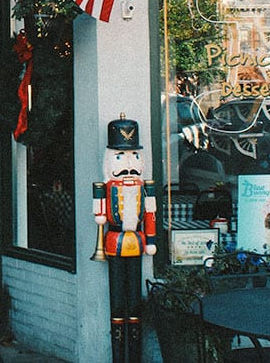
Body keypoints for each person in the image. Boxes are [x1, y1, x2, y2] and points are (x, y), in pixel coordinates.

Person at [93, 114, 156, 363]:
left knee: (134, 300)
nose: (129, 163)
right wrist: (99, 214)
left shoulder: (144, 186)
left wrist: (150, 240)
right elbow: (101, 212)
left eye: (133, 156)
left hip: (138, 242)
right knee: (117, 301)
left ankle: (135, 355)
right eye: (121, 156)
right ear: (111, 159)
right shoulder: (108, 187)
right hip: (115, 242)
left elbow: (149, 215)